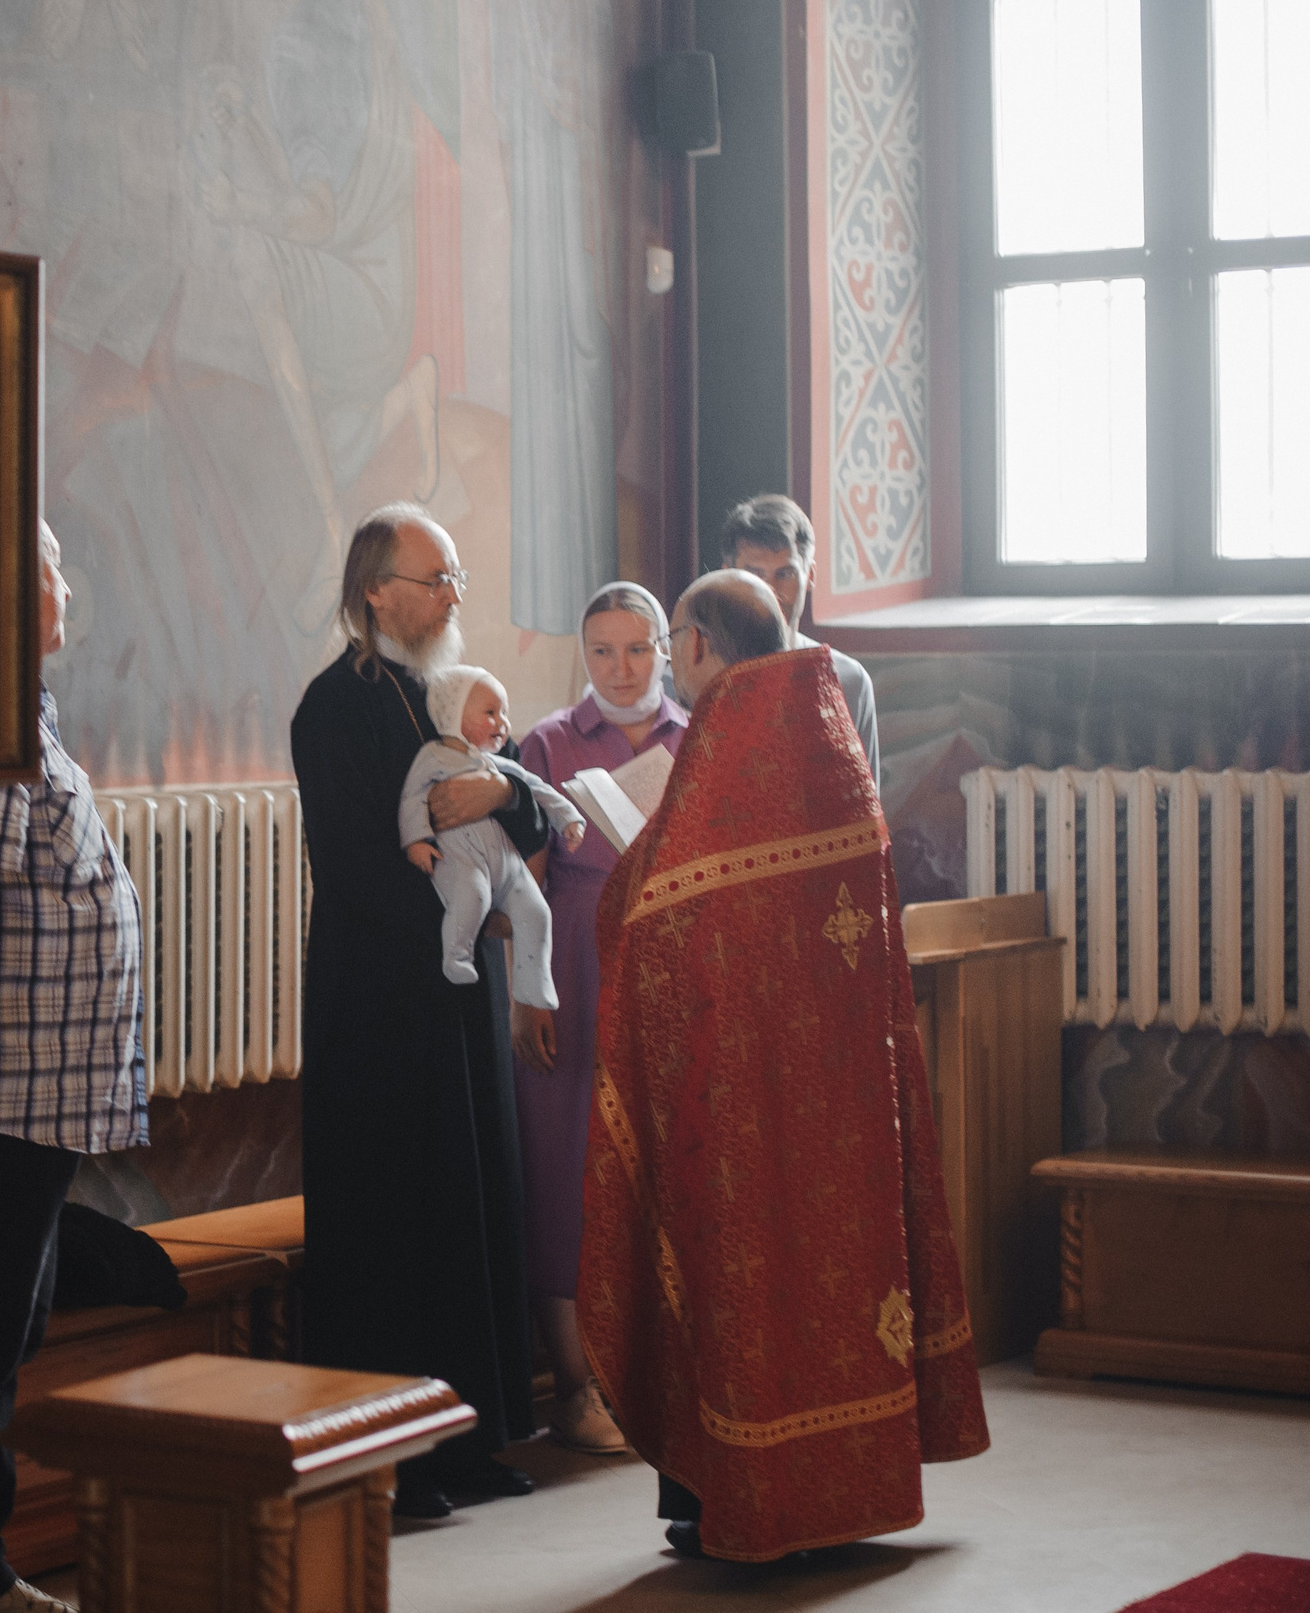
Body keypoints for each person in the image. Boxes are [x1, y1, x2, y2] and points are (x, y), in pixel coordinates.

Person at [581, 570, 989, 1562]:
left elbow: (666, 915)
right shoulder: (825, 742)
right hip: (843, 1095)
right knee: (839, 1281)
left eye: (674, 637)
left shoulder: (731, 744)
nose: (672, 656)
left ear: (706, 644)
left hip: (741, 1094)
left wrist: (628, 889)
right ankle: (846, 1494)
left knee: (739, 1280)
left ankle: (730, 1499)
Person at [291, 500, 546, 1518]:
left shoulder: (447, 700)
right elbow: (352, 865)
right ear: (374, 591)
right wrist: (465, 916)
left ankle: (468, 1433)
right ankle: (384, 1459)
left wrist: (500, 805)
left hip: (457, 995)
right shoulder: (333, 708)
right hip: (381, 1000)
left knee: (468, 1206)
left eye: (455, 579)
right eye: (434, 577)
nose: (451, 594)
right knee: (393, 1221)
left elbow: (527, 800)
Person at [0, 523, 146, 1613]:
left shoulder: (30, 717)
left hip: (50, 1097)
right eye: (43, 568)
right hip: (10, 1094)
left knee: (13, 1329)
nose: (64, 584)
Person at [513, 581, 687, 1455]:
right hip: (573, 962)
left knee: (660, 1165)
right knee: (563, 1169)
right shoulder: (546, 742)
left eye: (638, 648)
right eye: (603, 651)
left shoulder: (696, 738)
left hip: (667, 962)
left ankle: (659, 1379)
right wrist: (528, 987)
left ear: (666, 648)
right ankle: (576, 1388)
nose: (621, 669)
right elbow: (521, 880)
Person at [399, 665, 584, 1006]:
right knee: (473, 896)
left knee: (537, 912)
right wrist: (417, 841)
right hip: (463, 857)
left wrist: (569, 818)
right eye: (490, 713)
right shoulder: (434, 757)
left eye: (504, 713)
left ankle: (533, 981)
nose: (503, 723)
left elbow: (539, 790)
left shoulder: (499, 765)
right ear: (455, 716)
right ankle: (457, 957)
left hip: (506, 862)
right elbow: (413, 797)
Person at [719, 493, 880, 775]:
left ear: (810, 576)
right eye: (755, 574)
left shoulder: (846, 680)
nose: (769, 590)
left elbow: (867, 809)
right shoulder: (705, 677)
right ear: (728, 577)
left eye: (785, 574)